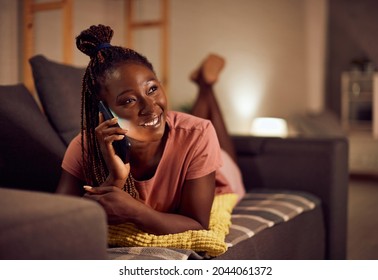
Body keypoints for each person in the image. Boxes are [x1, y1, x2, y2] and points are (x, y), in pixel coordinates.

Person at [56, 24, 244, 236]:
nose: (150, 106)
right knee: (191, 127)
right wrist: (115, 181)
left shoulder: (200, 134)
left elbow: (198, 224)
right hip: (190, 140)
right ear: (104, 111)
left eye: (152, 89)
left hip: (217, 175)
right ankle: (205, 85)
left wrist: (136, 211)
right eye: (128, 100)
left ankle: (205, 86)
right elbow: (61, 222)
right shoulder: (83, 147)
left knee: (206, 137)